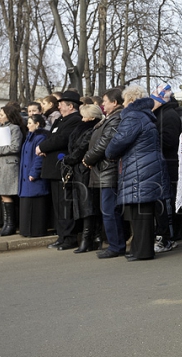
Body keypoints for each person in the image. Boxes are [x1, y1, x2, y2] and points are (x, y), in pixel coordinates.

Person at [106, 85, 170, 261]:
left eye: (125, 101)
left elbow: (119, 141)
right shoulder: (144, 116)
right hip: (146, 168)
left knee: (139, 213)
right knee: (143, 212)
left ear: (132, 101)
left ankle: (142, 251)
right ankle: (140, 249)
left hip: (138, 170)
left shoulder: (133, 116)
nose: (123, 105)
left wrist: (109, 153)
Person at [84, 88, 127, 259]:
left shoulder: (116, 118)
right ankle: (116, 244)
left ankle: (116, 246)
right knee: (109, 209)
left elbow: (104, 143)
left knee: (110, 210)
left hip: (108, 171)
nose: (102, 105)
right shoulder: (110, 118)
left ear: (114, 102)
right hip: (103, 170)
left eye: (105, 101)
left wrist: (88, 158)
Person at [37, 91, 83, 251]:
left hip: (63, 168)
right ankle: (62, 235)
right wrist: (44, 148)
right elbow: (51, 137)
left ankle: (69, 237)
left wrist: (42, 147)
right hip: (53, 168)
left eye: (62, 104)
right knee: (58, 205)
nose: (59, 106)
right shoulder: (61, 120)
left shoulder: (75, 120)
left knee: (65, 204)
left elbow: (62, 139)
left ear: (70, 106)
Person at [63, 104, 103, 253]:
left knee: (88, 205)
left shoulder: (91, 130)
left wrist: (68, 159)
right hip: (80, 170)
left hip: (85, 170)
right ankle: (93, 238)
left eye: (85, 116)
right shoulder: (85, 128)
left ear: (92, 117)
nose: (83, 118)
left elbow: (81, 149)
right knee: (86, 204)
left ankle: (88, 240)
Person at [150, 83, 182, 254]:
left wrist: (149, 143)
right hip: (163, 163)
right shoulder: (160, 114)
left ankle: (168, 238)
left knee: (166, 202)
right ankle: (169, 235)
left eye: (153, 99)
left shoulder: (168, 115)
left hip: (168, 163)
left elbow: (168, 140)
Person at [0, 105, 25, 236]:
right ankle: (6, 224)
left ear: (10, 115)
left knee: (6, 193)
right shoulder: (1, 128)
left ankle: (10, 225)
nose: (0, 117)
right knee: (3, 195)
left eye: (2, 115)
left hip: (9, 164)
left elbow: (15, 147)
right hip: (1, 163)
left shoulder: (14, 128)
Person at [18, 114, 50, 237]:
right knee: (27, 204)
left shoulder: (40, 138)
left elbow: (39, 158)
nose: (28, 125)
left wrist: (33, 173)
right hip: (26, 176)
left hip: (32, 176)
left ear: (37, 124)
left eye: (30, 123)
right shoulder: (30, 137)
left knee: (35, 204)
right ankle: (27, 230)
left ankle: (35, 231)